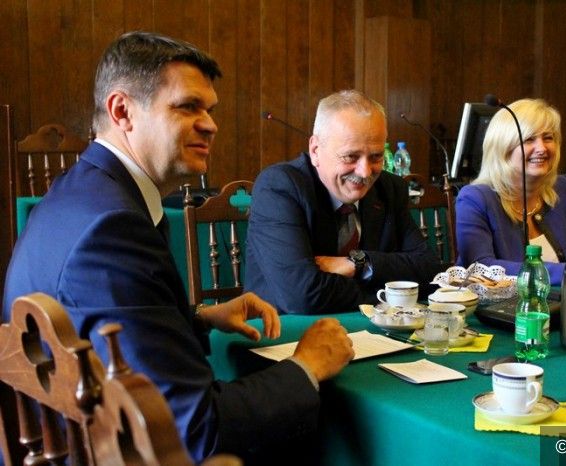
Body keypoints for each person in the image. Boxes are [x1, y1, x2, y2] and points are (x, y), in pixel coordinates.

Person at [2, 31, 354, 465]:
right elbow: (196, 432)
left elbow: (95, 321)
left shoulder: (81, 191)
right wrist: (307, 367)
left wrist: (197, 318)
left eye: (210, 109)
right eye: (187, 106)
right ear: (122, 111)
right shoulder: (112, 229)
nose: (210, 124)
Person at [245, 90, 442, 314]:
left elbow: (432, 273)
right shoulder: (279, 187)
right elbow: (303, 296)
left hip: (369, 331)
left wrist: (359, 264)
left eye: (376, 156)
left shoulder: (390, 188)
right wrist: (391, 293)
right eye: (350, 156)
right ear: (315, 151)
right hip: (286, 331)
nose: (365, 171)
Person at [455, 98, 566, 286]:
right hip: (499, 303)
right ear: (503, 148)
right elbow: (481, 267)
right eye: (529, 139)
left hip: (564, 301)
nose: (542, 148)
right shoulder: (474, 198)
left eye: (548, 138)